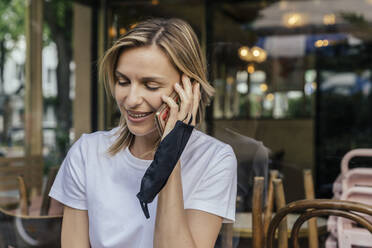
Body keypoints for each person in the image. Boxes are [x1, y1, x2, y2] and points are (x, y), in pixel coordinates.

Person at [49, 18, 237, 248]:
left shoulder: (215, 159)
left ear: (189, 88)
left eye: (151, 85)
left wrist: (170, 152)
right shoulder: (87, 153)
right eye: (123, 81)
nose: (131, 99)